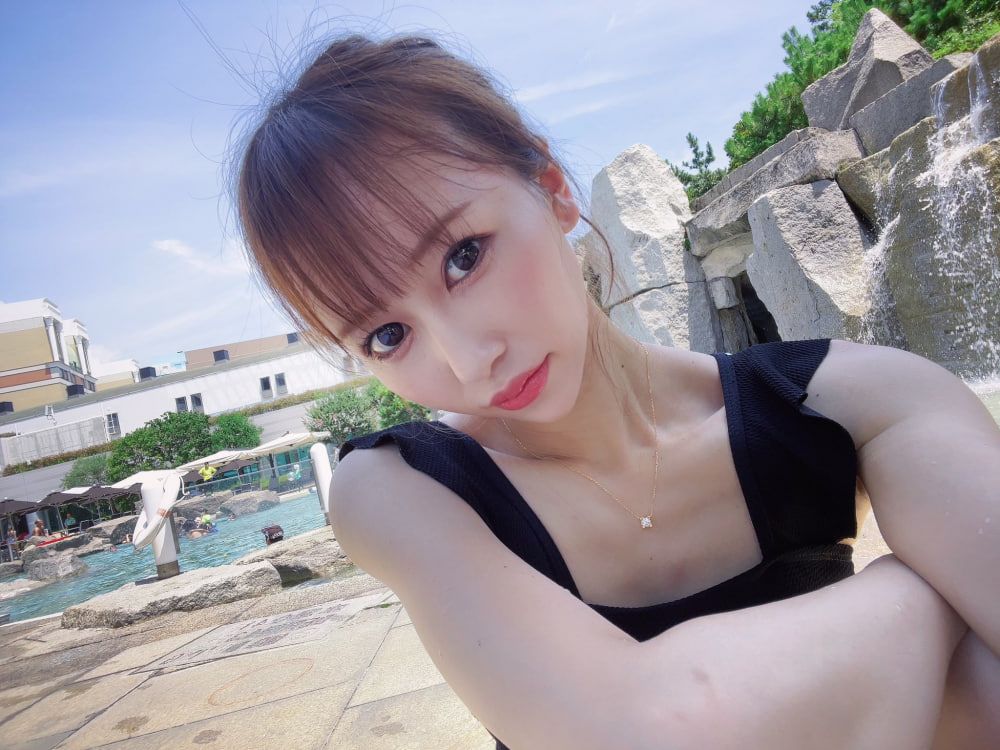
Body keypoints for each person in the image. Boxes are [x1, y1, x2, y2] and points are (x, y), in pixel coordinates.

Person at [233, 33, 998, 748]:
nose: (468, 364)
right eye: (387, 335)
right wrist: (920, 597)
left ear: (553, 189)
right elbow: (644, 732)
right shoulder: (397, 492)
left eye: (463, 257)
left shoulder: (856, 401)